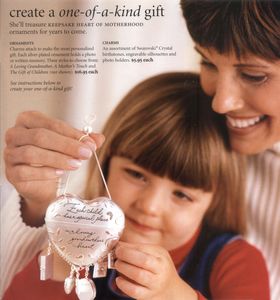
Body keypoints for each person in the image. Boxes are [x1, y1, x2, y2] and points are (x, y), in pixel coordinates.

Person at [3, 72, 269, 300]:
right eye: (136, 175)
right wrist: (61, 260)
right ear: (107, 164)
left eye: (181, 194)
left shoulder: (236, 261)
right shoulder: (78, 234)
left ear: (214, 199)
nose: (150, 206)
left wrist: (175, 294)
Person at [180, 1, 280, 299]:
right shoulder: (196, 132)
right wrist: (40, 208)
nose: (220, 103)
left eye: (253, 75)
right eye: (208, 63)